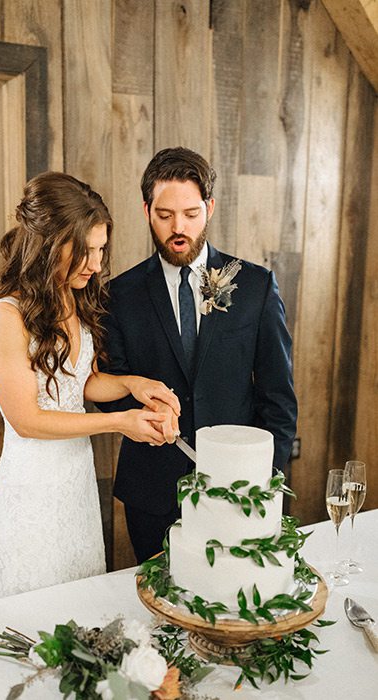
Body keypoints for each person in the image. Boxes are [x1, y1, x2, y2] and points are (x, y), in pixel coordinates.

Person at [0, 171, 180, 601]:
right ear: (48, 245)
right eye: (85, 251)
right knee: (32, 604)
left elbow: (77, 383)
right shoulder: (5, 317)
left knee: (77, 598)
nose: (97, 264)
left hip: (75, 482)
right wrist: (120, 423)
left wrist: (133, 384)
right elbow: (27, 420)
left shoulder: (69, 295)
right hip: (32, 487)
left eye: (101, 250)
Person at [97, 147, 297, 563]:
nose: (178, 228)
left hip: (240, 488)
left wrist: (267, 482)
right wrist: (144, 409)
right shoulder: (120, 295)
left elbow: (278, 399)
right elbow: (111, 390)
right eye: (165, 215)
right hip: (152, 492)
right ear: (146, 209)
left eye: (190, 213)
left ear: (209, 207)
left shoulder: (256, 287)